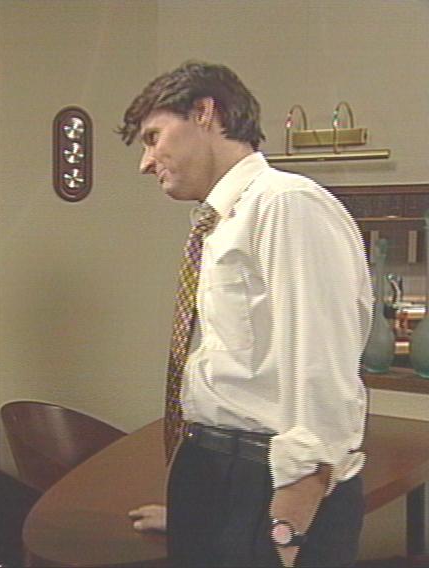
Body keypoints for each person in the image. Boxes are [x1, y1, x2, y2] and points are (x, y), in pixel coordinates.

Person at [119, 61, 371, 567]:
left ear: (204, 112)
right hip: (221, 480)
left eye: (153, 137)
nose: (145, 163)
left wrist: (288, 521)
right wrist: (198, 512)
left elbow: (321, 364)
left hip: (271, 481)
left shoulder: (285, 204)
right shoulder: (221, 221)